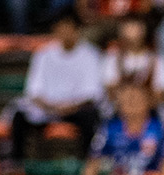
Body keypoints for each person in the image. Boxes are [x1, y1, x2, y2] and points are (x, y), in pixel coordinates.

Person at [9, 8, 103, 163]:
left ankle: (87, 164)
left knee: (92, 117)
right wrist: (51, 107)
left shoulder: (91, 54)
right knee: (19, 117)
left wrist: (68, 108)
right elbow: (34, 91)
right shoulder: (43, 54)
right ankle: (17, 164)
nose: (64, 32)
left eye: (68, 27)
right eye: (60, 27)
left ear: (77, 29)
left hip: (76, 111)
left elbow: (91, 95)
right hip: (47, 109)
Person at [102, 14, 164, 110]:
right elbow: (111, 93)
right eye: (127, 30)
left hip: (150, 112)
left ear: (144, 31)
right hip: (120, 111)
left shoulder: (159, 60)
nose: (131, 36)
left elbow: (160, 95)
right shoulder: (111, 59)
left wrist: (139, 106)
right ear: (121, 33)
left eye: (135, 30)